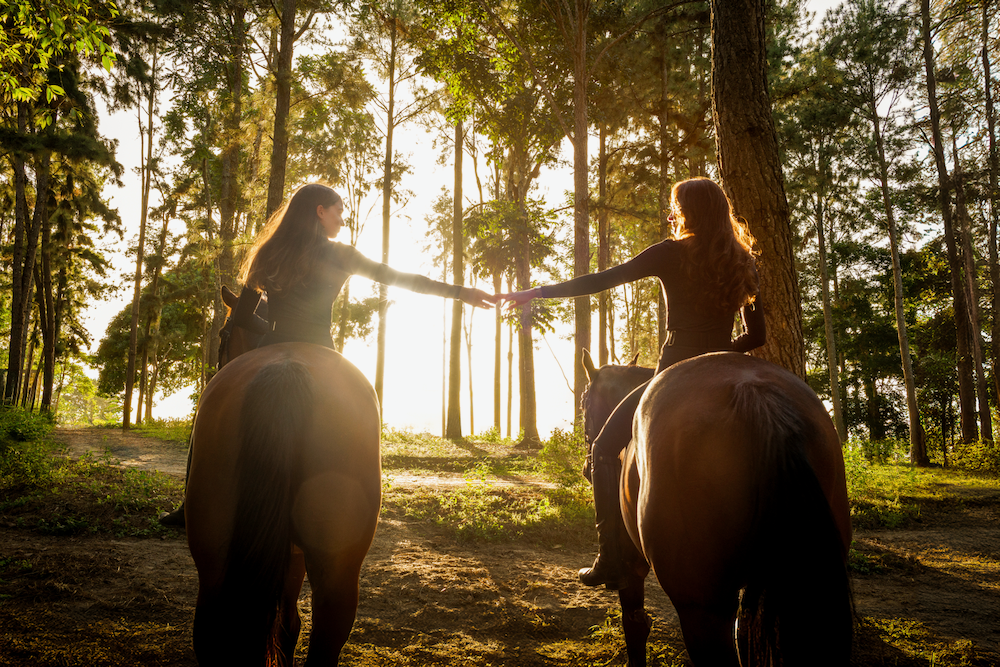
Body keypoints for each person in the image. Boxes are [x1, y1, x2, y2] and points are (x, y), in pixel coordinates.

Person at [159, 183, 494, 526]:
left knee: (211, 407)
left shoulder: (269, 251)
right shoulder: (341, 254)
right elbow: (401, 279)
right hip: (322, 346)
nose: (342, 220)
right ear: (320, 211)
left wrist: (272, 331)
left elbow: (243, 317)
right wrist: (460, 293)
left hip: (270, 344)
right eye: (339, 211)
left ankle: (189, 507)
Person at [499, 177, 766, 590]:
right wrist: (720, 353)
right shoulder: (743, 259)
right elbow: (757, 335)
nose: (673, 213)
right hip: (724, 364)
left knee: (604, 448)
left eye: (676, 206)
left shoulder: (670, 253)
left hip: (675, 370)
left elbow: (602, 279)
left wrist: (537, 291)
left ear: (688, 212)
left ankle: (610, 556)